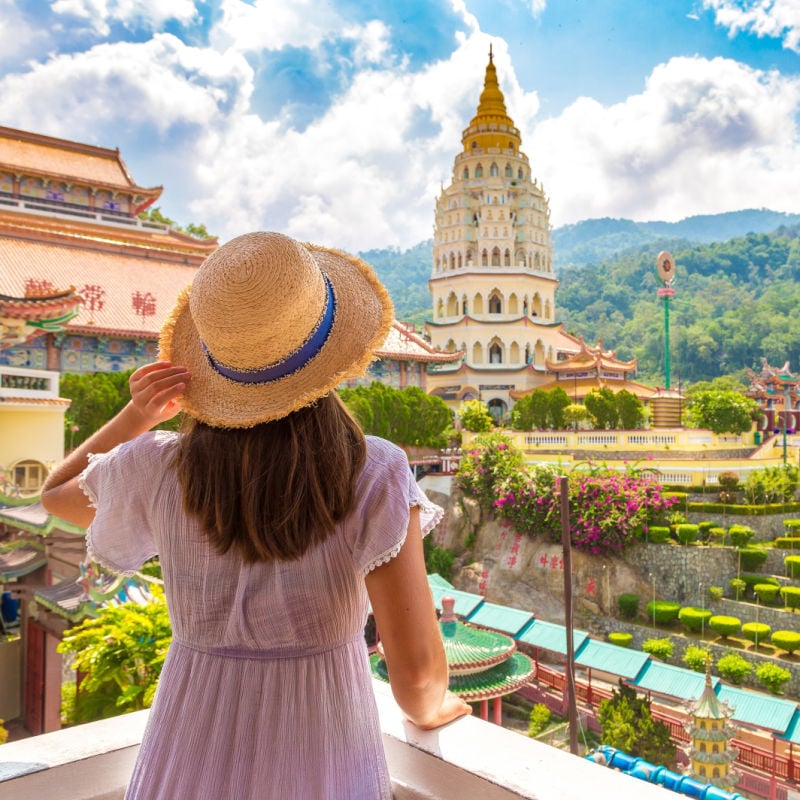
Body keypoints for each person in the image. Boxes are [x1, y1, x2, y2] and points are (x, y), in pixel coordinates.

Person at [41, 231, 471, 799]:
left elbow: (56, 493)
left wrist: (136, 416)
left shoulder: (159, 467)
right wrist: (439, 706)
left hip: (186, 746)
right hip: (322, 749)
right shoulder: (373, 471)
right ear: (331, 359)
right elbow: (415, 678)